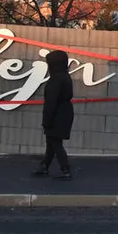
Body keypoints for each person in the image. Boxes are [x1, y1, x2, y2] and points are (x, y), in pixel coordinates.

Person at [32, 49, 74, 180]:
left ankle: (65, 168)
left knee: (55, 142)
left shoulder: (55, 80)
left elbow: (51, 101)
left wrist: (46, 120)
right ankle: (44, 165)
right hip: (66, 111)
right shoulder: (66, 77)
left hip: (57, 114)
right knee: (52, 141)